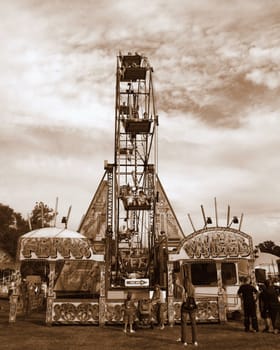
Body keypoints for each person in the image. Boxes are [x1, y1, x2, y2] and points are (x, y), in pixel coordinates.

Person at [177, 279, 198, 347]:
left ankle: (185, 341)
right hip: (192, 307)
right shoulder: (193, 287)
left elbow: (183, 299)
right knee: (193, 324)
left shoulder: (183, 288)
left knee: (184, 324)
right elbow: (195, 298)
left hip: (185, 307)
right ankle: (194, 341)